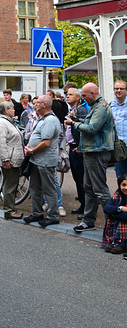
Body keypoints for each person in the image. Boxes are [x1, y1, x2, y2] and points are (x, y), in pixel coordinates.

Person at [65, 83, 114, 234]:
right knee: (88, 187)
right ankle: (88, 220)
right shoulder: (95, 106)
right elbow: (88, 125)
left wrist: (73, 123)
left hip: (98, 151)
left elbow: (92, 128)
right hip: (90, 151)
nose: (83, 99)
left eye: (85, 96)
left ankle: (112, 224)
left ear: (93, 93)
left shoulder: (101, 107)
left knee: (100, 188)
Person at [24, 95, 60, 227]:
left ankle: (52, 216)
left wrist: (32, 151)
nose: (35, 105)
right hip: (36, 160)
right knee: (35, 188)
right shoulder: (42, 119)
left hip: (45, 160)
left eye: (37, 103)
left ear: (44, 104)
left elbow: (46, 142)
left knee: (49, 189)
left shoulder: (50, 120)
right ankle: (37, 212)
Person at [0, 101, 24, 220]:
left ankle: (11, 208)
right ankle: (9, 210)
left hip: (13, 158)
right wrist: (5, 159)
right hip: (10, 159)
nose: (14, 110)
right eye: (12, 108)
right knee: (9, 185)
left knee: (12, 184)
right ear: (6, 110)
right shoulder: (2, 123)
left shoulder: (8, 121)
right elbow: (1, 143)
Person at [64, 87, 88, 216]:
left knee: (81, 178)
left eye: (71, 95)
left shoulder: (81, 110)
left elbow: (83, 129)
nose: (67, 96)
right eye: (67, 94)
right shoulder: (72, 110)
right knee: (77, 177)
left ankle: (86, 207)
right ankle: (83, 205)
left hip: (78, 148)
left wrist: (80, 146)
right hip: (72, 147)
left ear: (78, 97)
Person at [102, 175, 127, 255]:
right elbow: (106, 209)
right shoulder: (117, 196)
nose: (126, 188)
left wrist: (114, 213)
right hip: (118, 219)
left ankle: (121, 244)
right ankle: (113, 242)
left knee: (121, 221)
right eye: (123, 185)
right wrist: (121, 208)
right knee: (112, 220)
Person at [110, 79, 127, 179]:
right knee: (120, 176)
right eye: (116, 88)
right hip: (118, 146)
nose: (118, 90)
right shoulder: (110, 105)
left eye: (121, 88)